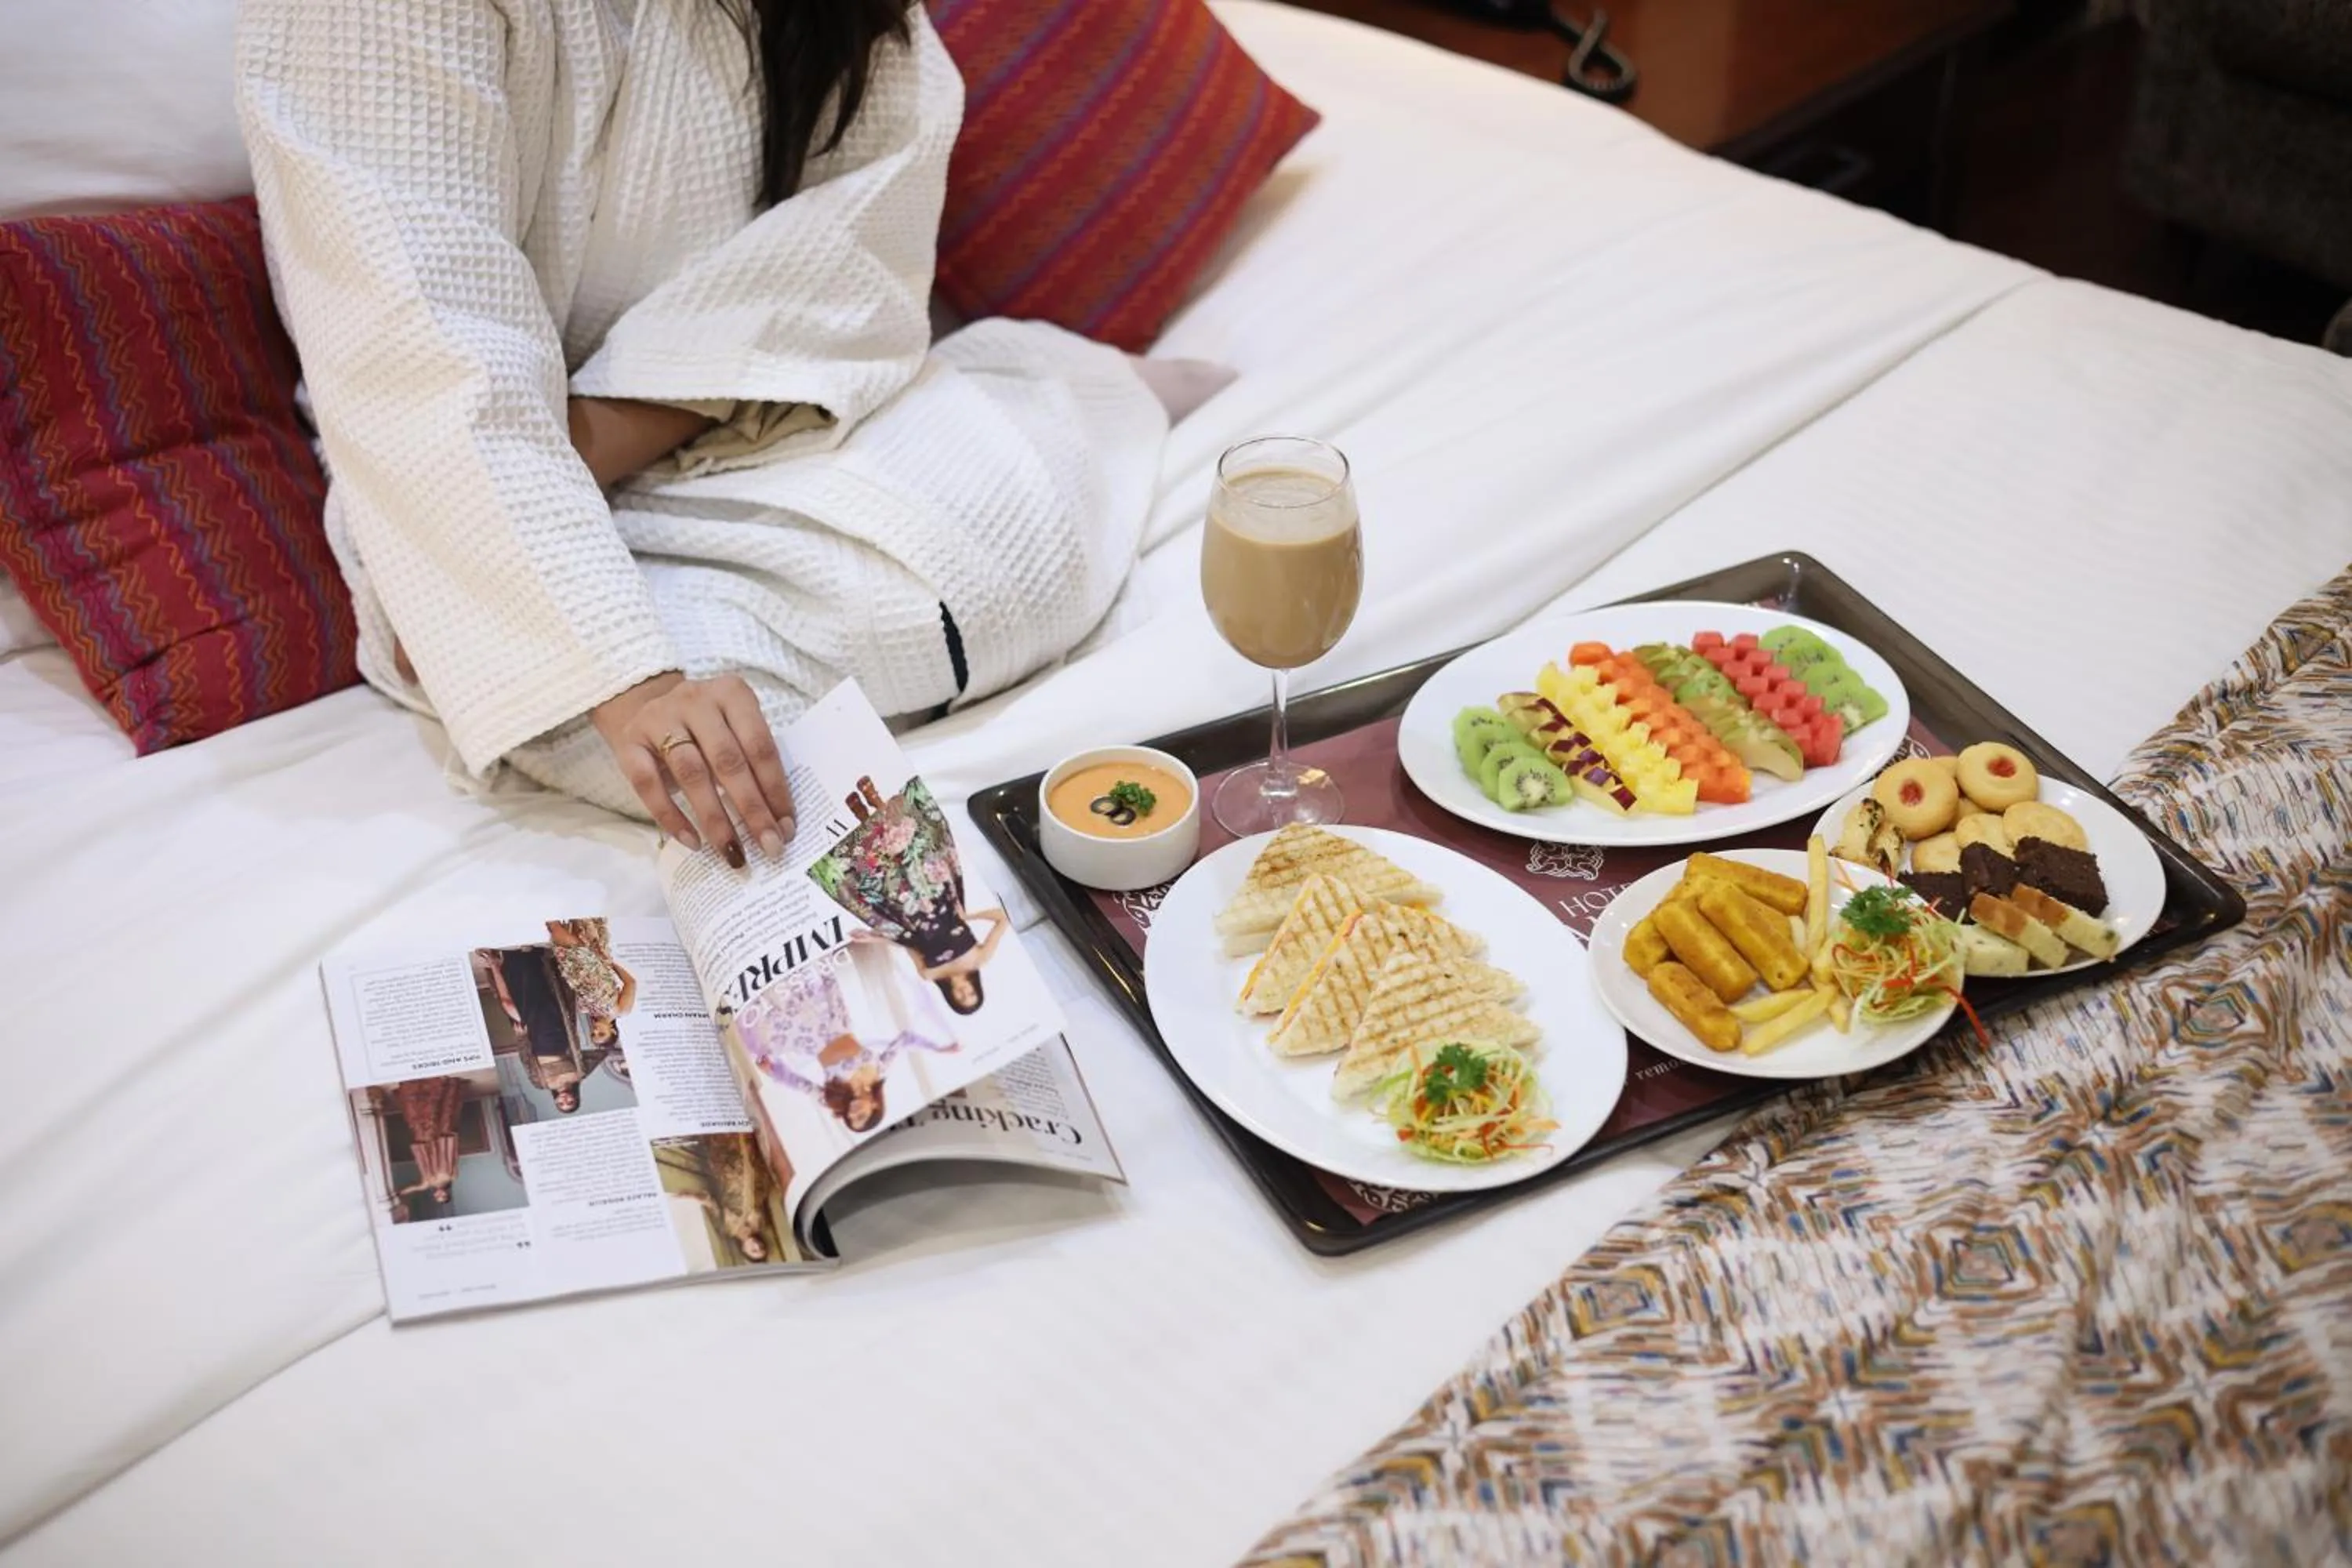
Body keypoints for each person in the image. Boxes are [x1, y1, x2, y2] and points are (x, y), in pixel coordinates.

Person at [238, 0, 1226, 872]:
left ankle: (1072, 390)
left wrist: (606, 433)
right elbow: (418, 338)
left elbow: (858, 225)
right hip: (473, 492)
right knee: (730, 754)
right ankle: (1060, 400)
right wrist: (627, 674)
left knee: (1010, 544)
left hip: (740, 409)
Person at [808, 776, 1004, 1013]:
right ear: (976, 988)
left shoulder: (929, 974)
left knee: (882, 869)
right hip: (938, 899)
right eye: (971, 994)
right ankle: (874, 799)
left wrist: (875, 937)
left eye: (962, 999)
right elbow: (1002, 919)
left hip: (907, 915)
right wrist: (969, 917)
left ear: (952, 998)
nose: (964, 992)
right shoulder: (980, 959)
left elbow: (910, 946)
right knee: (908, 851)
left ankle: (861, 814)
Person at [738, 960, 955, 1134]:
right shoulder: (879, 1070)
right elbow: (905, 1040)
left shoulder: (833, 1098)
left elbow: (800, 1084)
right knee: (797, 969)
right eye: (860, 1116)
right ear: (875, 1106)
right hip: (833, 1015)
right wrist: (936, 1048)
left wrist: (773, 1071)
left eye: (851, 1119)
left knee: (767, 988)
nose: (852, 1114)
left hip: (802, 1033)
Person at [486, 947, 615, 1114]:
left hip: (534, 1040)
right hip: (556, 1037)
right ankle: (531, 956)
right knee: (540, 997)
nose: (565, 1100)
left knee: (510, 1002)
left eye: (561, 1104)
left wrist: (522, 1038)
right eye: (570, 1102)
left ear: (556, 1102)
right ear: (576, 1097)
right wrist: (602, 1039)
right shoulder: (579, 1075)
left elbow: (526, 1060)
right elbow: (602, 1054)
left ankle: (500, 962)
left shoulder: (540, 1084)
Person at [379, 1076, 465, 1215]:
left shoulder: (427, 1184)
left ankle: (416, 1091)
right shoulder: (452, 1177)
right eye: (443, 1196)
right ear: (447, 1193)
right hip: (440, 1142)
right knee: (443, 1117)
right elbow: (451, 1156)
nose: (439, 1195)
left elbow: (413, 1188)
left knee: (418, 1122)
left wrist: (397, 1194)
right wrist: (443, 1141)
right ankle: (443, 1087)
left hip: (425, 1146)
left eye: (438, 1197)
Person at [547, 918, 636, 1049]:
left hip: (572, 968)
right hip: (589, 961)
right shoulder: (622, 1011)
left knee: (556, 927)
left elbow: (580, 988)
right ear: (613, 1031)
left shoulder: (588, 1011)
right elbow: (631, 983)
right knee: (565, 925)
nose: (595, 1030)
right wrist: (611, 964)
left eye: (593, 1034)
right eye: (601, 1034)